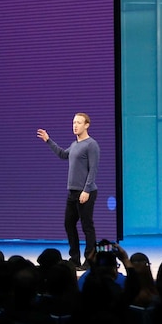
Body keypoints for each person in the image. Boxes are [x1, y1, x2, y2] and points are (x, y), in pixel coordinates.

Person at [37, 112, 101, 270]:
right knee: (69, 224)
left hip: (86, 192)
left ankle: (90, 259)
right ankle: (74, 258)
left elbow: (93, 169)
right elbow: (62, 154)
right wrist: (48, 140)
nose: (75, 125)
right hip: (72, 192)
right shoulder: (74, 145)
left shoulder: (91, 144)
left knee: (87, 226)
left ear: (87, 125)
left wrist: (86, 190)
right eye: (74, 122)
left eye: (79, 122)